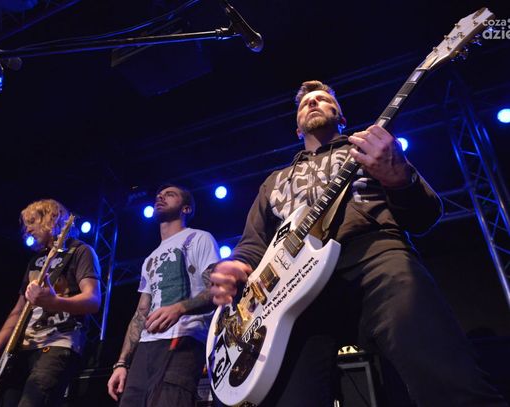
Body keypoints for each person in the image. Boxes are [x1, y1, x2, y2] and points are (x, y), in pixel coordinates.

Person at [209, 80, 508, 406]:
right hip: (292, 293)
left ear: (341, 117)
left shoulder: (371, 150)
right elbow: (254, 244)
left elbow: (425, 216)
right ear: (297, 129)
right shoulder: (273, 182)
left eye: (322, 99)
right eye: (305, 103)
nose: (313, 103)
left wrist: (399, 176)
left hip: (375, 257)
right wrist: (236, 265)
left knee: (446, 377)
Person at [0, 198, 101, 406]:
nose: (27, 229)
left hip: (58, 342)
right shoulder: (35, 260)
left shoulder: (80, 251)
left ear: (52, 219)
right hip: (22, 347)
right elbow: (18, 310)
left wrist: (54, 301)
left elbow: (93, 300)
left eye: (32, 222)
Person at [107, 184, 220, 406]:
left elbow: (217, 291)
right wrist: (121, 363)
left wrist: (180, 308)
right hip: (146, 347)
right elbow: (141, 313)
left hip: (185, 337)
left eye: (170, 194)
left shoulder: (199, 238)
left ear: (186, 208)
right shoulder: (150, 258)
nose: (160, 197)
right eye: (159, 194)